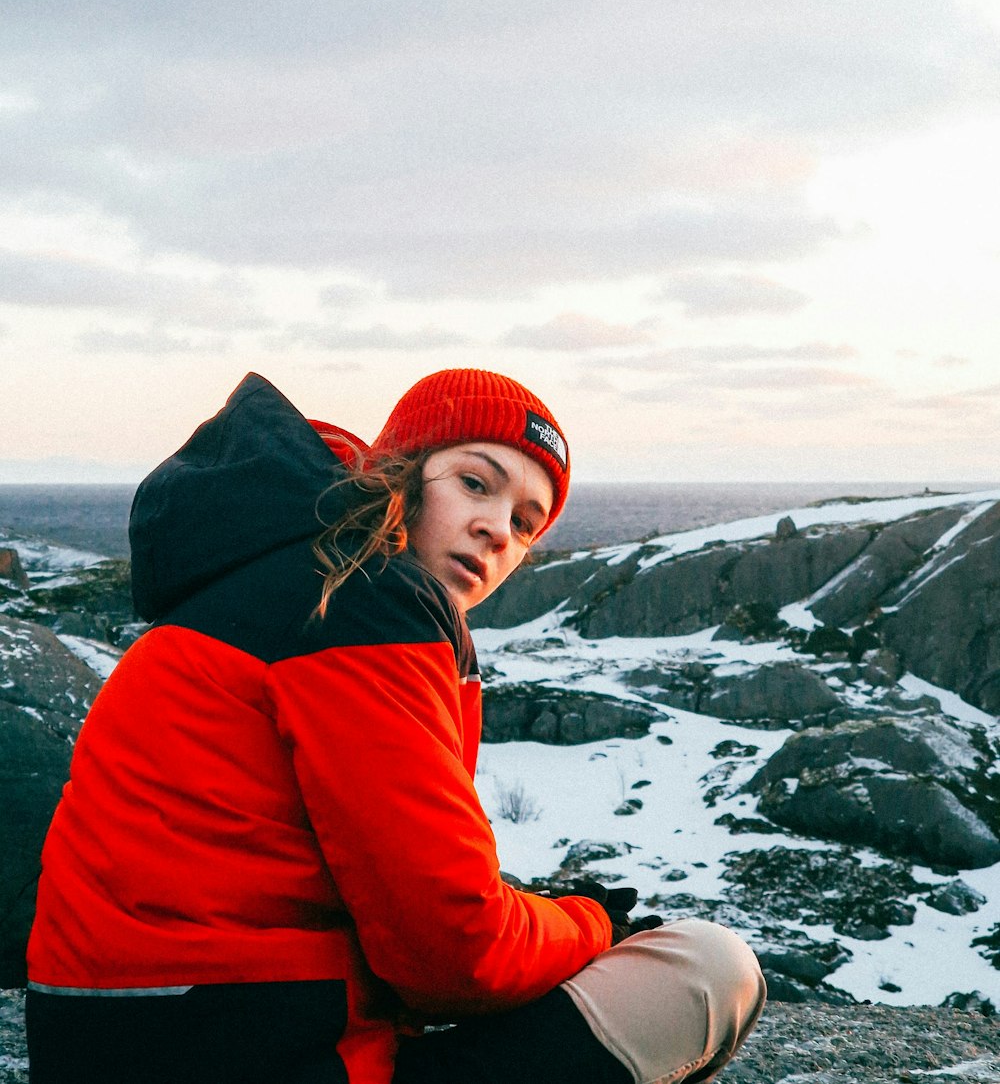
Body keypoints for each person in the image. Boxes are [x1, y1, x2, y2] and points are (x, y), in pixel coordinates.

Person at [26, 370, 765, 1084]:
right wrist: (591, 924)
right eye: (476, 483)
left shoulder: (281, 574)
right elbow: (455, 955)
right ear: (401, 471)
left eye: (524, 524)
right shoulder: (364, 602)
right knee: (710, 967)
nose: (494, 530)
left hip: (144, 1040)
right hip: (258, 1055)